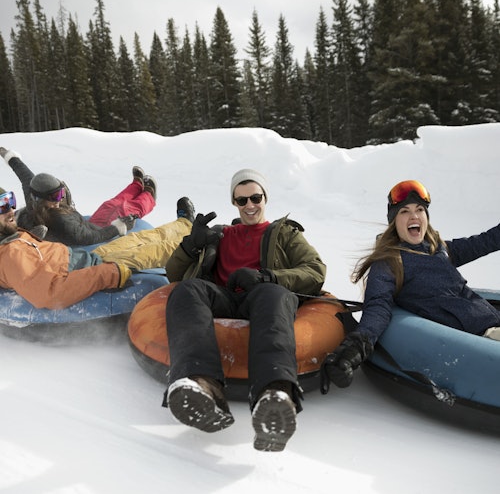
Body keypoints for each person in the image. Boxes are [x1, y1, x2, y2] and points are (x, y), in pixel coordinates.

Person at [162, 168, 326, 452]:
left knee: (274, 295)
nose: (249, 205)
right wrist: (192, 244)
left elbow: (314, 271)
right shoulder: (220, 235)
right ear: (234, 203)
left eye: (255, 198)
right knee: (186, 289)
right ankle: (202, 385)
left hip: (262, 295)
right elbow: (173, 274)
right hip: (223, 297)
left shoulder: (284, 233)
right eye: (241, 200)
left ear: (265, 198)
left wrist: (267, 277)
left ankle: (274, 394)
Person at [322, 179, 500, 390]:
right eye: (404, 211)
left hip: (490, 320)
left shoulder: (437, 248)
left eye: (419, 210)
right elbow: (378, 306)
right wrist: (353, 349)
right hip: (479, 337)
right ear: (394, 222)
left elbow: (481, 242)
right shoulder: (389, 262)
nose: (414, 216)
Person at [0, 186, 195, 310]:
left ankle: (185, 224)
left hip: (85, 257)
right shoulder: (11, 255)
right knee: (158, 251)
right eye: (1, 206)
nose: (10, 210)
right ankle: (211, 252)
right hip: (94, 266)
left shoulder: (10, 237)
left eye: (10, 201)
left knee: (141, 237)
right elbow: (50, 293)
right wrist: (110, 273)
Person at [1, 147, 157, 246]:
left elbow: (25, 175)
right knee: (122, 210)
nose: (59, 200)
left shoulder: (33, 200)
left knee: (108, 205)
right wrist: (118, 227)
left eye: (61, 193)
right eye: (55, 196)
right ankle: (149, 195)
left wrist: (10, 157)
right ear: (41, 199)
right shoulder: (61, 222)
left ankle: (136, 185)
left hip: (85, 223)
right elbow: (88, 238)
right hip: (98, 233)